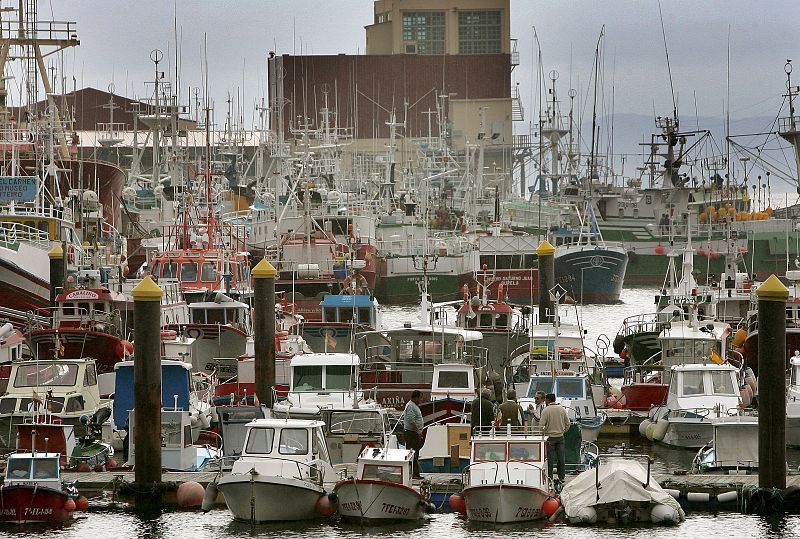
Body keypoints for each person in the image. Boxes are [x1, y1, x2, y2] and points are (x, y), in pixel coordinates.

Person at [539, 393, 570, 484]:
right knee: (561, 458)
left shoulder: (546, 410)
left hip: (550, 438)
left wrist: (543, 434)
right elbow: (568, 424)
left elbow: (541, 426)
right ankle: (561, 477)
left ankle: (550, 478)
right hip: (560, 437)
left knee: (549, 459)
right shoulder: (562, 409)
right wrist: (563, 431)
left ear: (548, 400)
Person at [403, 390, 425, 478]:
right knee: (413, 453)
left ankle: (415, 473)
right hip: (411, 433)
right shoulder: (411, 406)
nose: (421, 400)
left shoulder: (414, 406)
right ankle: (413, 473)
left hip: (414, 433)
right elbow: (411, 420)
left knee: (416, 452)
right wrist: (418, 431)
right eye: (420, 398)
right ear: (415, 398)